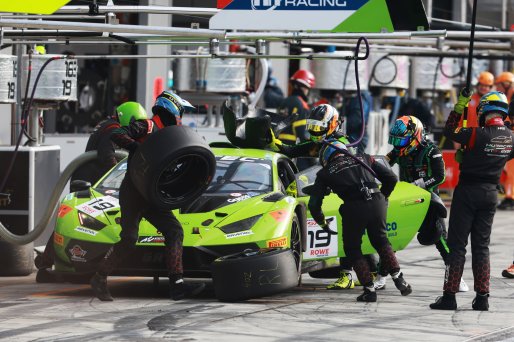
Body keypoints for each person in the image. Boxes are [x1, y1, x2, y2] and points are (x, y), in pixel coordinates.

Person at [268, 104, 403, 294]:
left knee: (352, 244)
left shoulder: (345, 146)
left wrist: (321, 214)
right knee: (374, 241)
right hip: (368, 199)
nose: (315, 132)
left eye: (318, 127)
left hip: (353, 199)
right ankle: (390, 277)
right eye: (312, 127)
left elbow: (378, 172)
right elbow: (292, 151)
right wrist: (274, 143)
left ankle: (353, 277)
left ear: (331, 125)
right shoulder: (322, 143)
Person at [90, 91, 205, 301]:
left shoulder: (173, 134)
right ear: (171, 108)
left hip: (153, 193)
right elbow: (116, 135)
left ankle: (177, 286)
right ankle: (99, 277)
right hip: (133, 190)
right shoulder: (147, 126)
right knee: (129, 239)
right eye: (180, 112)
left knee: (174, 230)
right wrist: (139, 148)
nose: (181, 118)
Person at [303, 109, 412, 302]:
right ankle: (399, 279)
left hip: (354, 207)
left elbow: (314, 204)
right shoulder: (365, 158)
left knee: (353, 249)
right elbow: (391, 177)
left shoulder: (325, 173)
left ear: (325, 158)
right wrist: (383, 197)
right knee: (382, 241)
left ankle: (369, 291)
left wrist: (321, 223)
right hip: (376, 201)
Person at [34, 102, 148, 272]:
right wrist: (121, 176)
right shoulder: (112, 129)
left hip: (90, 178)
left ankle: (47, 259)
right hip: (90, 181)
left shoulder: (106, 124)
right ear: (129, 118)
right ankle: (61, 258)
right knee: (77, 225)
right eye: (135, 123)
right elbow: (107, 156)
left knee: (75, 223)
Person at [430, 90, 514, 311]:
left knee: (457, 246)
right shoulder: (511, 137)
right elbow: (503, 152)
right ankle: (483, 298)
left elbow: (449, 130)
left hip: (467, 192)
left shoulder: (476, 133)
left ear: (483, 110)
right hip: (490, 195)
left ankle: (449, 297)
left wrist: (460, 108)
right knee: (481, 247)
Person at [384, 115, 468, 292]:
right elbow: (383, 164)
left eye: (402, 140)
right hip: (405, 202)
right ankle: (381, 275)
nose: (398, 145)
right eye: (396, 141)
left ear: (416, 135)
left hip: (428, 201)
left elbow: (439, 176)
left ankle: (456, 278)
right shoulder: (399, 150)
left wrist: (417, 185)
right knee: (392, 239)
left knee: (441, 240)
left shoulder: (431, 150)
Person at [277, 69, 316, 170]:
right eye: (307, 89)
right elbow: (302, 134)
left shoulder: (285, 102)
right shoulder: (300, 104)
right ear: (303, 88)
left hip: (280, 149)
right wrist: (312, 157)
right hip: (294, 153)